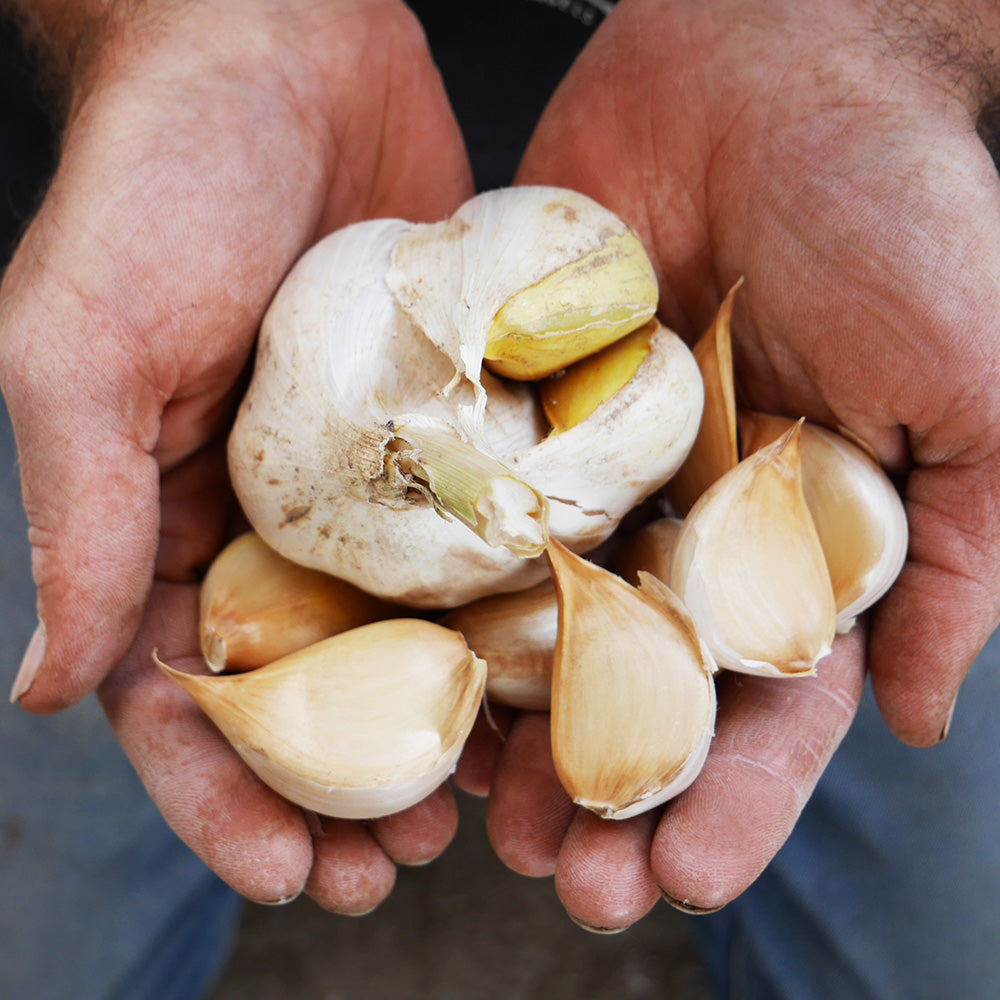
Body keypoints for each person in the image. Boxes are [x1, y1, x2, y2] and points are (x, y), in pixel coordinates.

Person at [2, 0, 999, 997]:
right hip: (217, 271)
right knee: (61, 897)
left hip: (764, 197)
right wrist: (176, 26)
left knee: (925, 934)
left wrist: (869, 35)